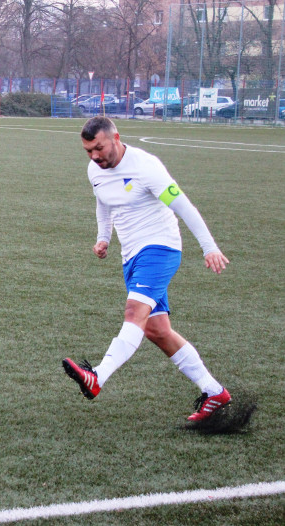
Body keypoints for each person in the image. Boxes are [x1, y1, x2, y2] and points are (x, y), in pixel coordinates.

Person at [62, 116, 232, 423]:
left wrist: (209, 247)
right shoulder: (95, 170)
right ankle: (214, 392)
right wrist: (103, 238)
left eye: (99, 148)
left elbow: (183, 206)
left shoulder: (145, 167)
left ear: (116, 138)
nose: (95, 156)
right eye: (88, 151)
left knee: (134, 313)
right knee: (157, 330)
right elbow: (103, 203)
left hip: (160, 248)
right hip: (131, 256)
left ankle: (97, 376)